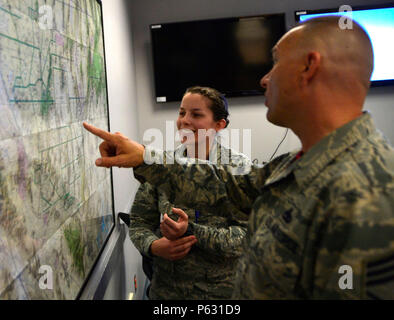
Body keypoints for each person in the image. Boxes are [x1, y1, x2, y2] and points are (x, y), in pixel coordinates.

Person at [83, 16, 394, 299]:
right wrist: (143, 157)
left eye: (276, 63)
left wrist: (191, 232)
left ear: (308, 67)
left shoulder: (370, 187)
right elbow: (224, 185)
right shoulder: (297, 164)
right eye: (181, 113)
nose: (264, 79)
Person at [128, 86, 251, 299]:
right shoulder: (161, 166)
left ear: (219, 125)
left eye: (196, 114)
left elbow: (247, 237)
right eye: (181, 112)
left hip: (222, 294)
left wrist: (191, 232)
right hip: (167, 292)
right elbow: (139, 222)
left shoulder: (239, 168)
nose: (184, 120)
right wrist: (155, 246)